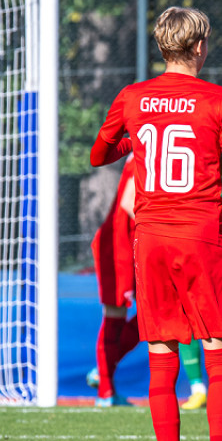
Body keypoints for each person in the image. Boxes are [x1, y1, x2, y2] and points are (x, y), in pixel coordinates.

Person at [90, 6, 222, 441]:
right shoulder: (219, 99)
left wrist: (136, 139)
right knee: (216, 349)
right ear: (199, 46)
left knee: (161, 353)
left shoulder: (133, 97)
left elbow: (99, 154)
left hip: (150, 238)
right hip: (201, 237)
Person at [86, 155, 140, 407]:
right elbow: (130, 201)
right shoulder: (147, 149)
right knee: (115, 315)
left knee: (157, 312)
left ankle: (104, 377)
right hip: (118, 246)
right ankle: (105, 391)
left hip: (131, 244)